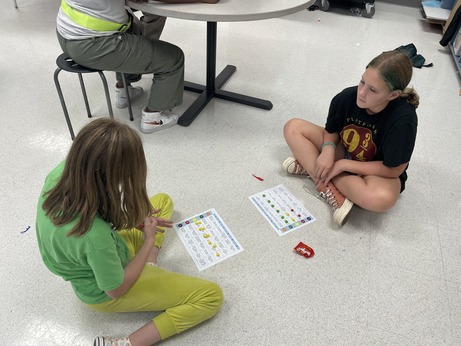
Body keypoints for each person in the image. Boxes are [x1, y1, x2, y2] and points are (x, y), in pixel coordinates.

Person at [36, 118, 223, 346]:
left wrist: (131, 221)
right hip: (105, 289)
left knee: (162, 202)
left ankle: (150, 264)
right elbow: (116, 289)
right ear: (112, 177)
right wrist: (148, 242)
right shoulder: (95, 237)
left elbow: (97, 213)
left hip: (108, 249)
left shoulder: (61, 173)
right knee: (211, 296)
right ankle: (127, 343)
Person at [283, 50, 419, 226]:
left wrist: (342, 165)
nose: (361, 93)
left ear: (393, 95)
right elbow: (331, 131)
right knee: (293, 127)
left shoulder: (403, 120)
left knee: (380, 198)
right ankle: (328, 186)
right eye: (362, 82)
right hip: (345, 150)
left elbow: (394, 169)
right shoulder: (346, 97)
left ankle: (314, 170)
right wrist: (328, 149)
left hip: (374, 171)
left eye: (372, 90)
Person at [56, 0, 219, 134]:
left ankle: (124, 90)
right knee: (173, 58)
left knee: (142, 22)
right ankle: (153, 117)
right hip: (93, 44)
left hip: (68, 32)